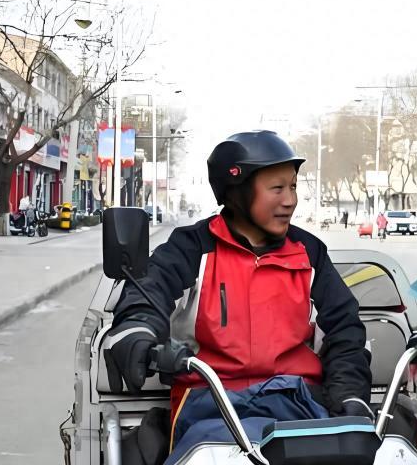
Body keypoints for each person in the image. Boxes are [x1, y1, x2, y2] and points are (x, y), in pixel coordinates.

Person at [106, 130, 373, 462]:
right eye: (277, 188)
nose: (289, 199)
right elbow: (150, 292)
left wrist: (351, 396)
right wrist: (137, 330)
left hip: (297, 406)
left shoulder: (309, 254)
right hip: (211, 407)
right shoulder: (191, 249)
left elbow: (345, 330)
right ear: (237, 193)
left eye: (292, 187)